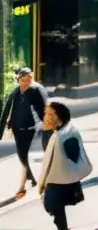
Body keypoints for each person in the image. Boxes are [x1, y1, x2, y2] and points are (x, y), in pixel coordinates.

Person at [38, 102, 92, 230]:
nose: (46, 117)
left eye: (50, 114)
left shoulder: (67, 134)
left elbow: (73, 155)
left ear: (59, 117)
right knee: (55, 207)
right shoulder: (55, 132)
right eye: (46, 114)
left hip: (61, 179)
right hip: (56, 177)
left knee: (52, 205)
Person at [0, 68, 49, 200]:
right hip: (16, 129)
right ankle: (32, 178)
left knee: (25, 155)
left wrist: (46, 122)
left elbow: (41, 109)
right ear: (18, 80)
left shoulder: (34, 92)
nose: (26, 82)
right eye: (23, 80)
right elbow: (5, 112)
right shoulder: (15, 92)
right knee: (22, 156)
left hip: (30, 128)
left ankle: (29, 182)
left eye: (28, 80)